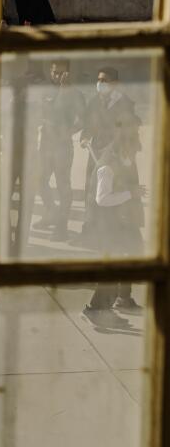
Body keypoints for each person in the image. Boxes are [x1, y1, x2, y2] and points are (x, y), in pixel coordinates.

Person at [82, 114, 143, 328]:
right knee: (112, 266)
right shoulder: (107, 165)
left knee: (131, 256)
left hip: (124, 222)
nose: (136, 148)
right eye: (134, 140)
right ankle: (96, 309)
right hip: (108, 225)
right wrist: (131, 194)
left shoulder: (125, 157)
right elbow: (102, 199)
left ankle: (120, 299)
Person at [77, 67, 136, 243]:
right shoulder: (94, 102)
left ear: (115, 84)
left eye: (105, 80)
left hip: (115, 155)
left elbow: (130, 132)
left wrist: (125, 155)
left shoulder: (125, 103)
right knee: (90, 191)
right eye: (98, 80)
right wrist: (84, 137)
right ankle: (87, 234)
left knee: (112, 192)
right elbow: (88, 126)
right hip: (94, 152)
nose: (100, 84)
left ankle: (112, 235)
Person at [33, 60, 85, 241]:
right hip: (46, 144)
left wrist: (69, 132)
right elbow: (39, 113)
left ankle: (61, 227)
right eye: (54, 72)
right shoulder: (46, 91)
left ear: (68, 73)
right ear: (50, 71)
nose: (57, 76)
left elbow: (83, 118)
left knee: (63, 186)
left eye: (61, 73)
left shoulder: (74, 94)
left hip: (62, 146)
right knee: (40, 181)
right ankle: (51, 213)